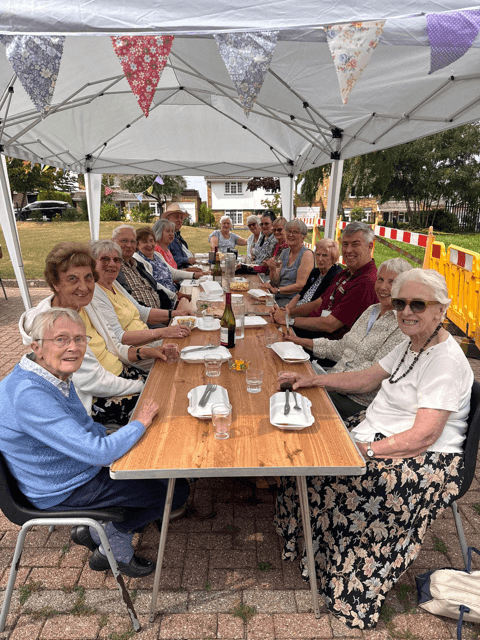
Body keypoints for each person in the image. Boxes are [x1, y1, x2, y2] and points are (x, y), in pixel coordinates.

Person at [275, 268, 473, 630]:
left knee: (337, 473)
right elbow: (366, 377)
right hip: (379, 432)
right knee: (304, 448)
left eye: (418, 303)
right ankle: (315, 555)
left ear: (441, 310)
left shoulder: (444, 361)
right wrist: (311, 380)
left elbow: (424, 436)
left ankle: (349, 585)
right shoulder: (412, 342)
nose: (406, 311)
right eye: (400, 303)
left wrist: (363, 451)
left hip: (422, 459)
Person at [3, 308, 190, 577]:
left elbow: (88, 428)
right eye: (61, 339)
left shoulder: (47, 375)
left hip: (72, 467)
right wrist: (140, 422)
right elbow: (99, 453)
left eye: (80, 339)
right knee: (173, 491)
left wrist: (119, 437)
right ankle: (113, 545)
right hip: (60, 488)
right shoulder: (30, 394)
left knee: (162, 471)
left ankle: (92, 528)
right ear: (37, 347)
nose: (74, 348)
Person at [18, 242, 172, 425]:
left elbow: (115, 345)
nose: (84, 287)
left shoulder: (87, 306)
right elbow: (93, 382)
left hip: (123, 374)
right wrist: (144, 385)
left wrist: (145, 352)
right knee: (166, 408)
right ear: (56, 284)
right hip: (100, 396)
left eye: (89, 278)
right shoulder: (53, 325)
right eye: (73, 279)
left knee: (172, 380)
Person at [283, 258, 412, 419]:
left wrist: (316, 380)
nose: (383, 287)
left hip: (356, 402)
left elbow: (369, 380)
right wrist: (299, 341)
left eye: (392, 282)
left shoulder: (403, 325)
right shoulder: (372, 310)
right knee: (282, 386)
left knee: (288, 406)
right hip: (333, 385)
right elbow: (341, 348)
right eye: (380, 279)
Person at [272, 221, 378, 343]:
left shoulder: (366, 281)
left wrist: (288, 319)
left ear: (370, 246)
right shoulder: (346, 273)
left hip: (322, 344)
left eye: (355, 244)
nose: (348, 250)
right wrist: (288, 312)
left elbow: (330, 325)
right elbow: (318, 302)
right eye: (345, 244)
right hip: (310, 331)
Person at [90, 240, 191, 355]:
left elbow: (141, 311)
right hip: (136, 351)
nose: (112, 264)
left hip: (148, 340)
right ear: (92, 263)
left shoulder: (114, 284)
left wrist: (175, 314)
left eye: (116, 260)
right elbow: (118, 337)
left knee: (191, 340)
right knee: (186, 349)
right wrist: (164, 332)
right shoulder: (94, 292)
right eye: (105, 259)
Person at [113, 224, 177, 312]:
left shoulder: (136, 264)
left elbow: (155, 286)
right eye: (124, 241)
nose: (129, 245)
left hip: (163, 309)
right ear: (113, 242)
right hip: (146, 319)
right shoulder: (113, 268)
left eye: (132, 242)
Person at [260, 219, 314, 307]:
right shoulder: (284, 252)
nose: (290, 235)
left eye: (295, 232)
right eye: (288, 231)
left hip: (293, 302)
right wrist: (272, 268)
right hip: (279, 297)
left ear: (303, 237)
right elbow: (275, 281)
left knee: (263, 309)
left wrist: (277, 290)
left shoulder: (306, 254)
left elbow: (300, 285)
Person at [134, 225, 198, 292]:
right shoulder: (138, 259)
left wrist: (193, 275)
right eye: (144, 242)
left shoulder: (157, 255)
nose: (149, 245)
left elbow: (172, 272)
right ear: (137, 245)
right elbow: (153, 284)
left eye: (151, 240)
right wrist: (175, 296)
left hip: (174, 290)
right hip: (164, 297)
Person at [286, 238, 343, 310]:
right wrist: (287, 308)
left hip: (309, 314)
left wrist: (290, 312)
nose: (320, 259)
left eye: (324, 255)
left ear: (333, 257)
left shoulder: (336, 275)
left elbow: (317, 305)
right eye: (318, 254)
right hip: (297, 309)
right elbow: (300, 294)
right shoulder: (316, 272)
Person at [159, 202, 197, 269]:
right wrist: (186, 260)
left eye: (181, 218)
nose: (179, 220)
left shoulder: (178, 235)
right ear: (168, 219)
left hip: (185, 270)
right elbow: (167, 258)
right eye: (176, 217)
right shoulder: (165, 237)